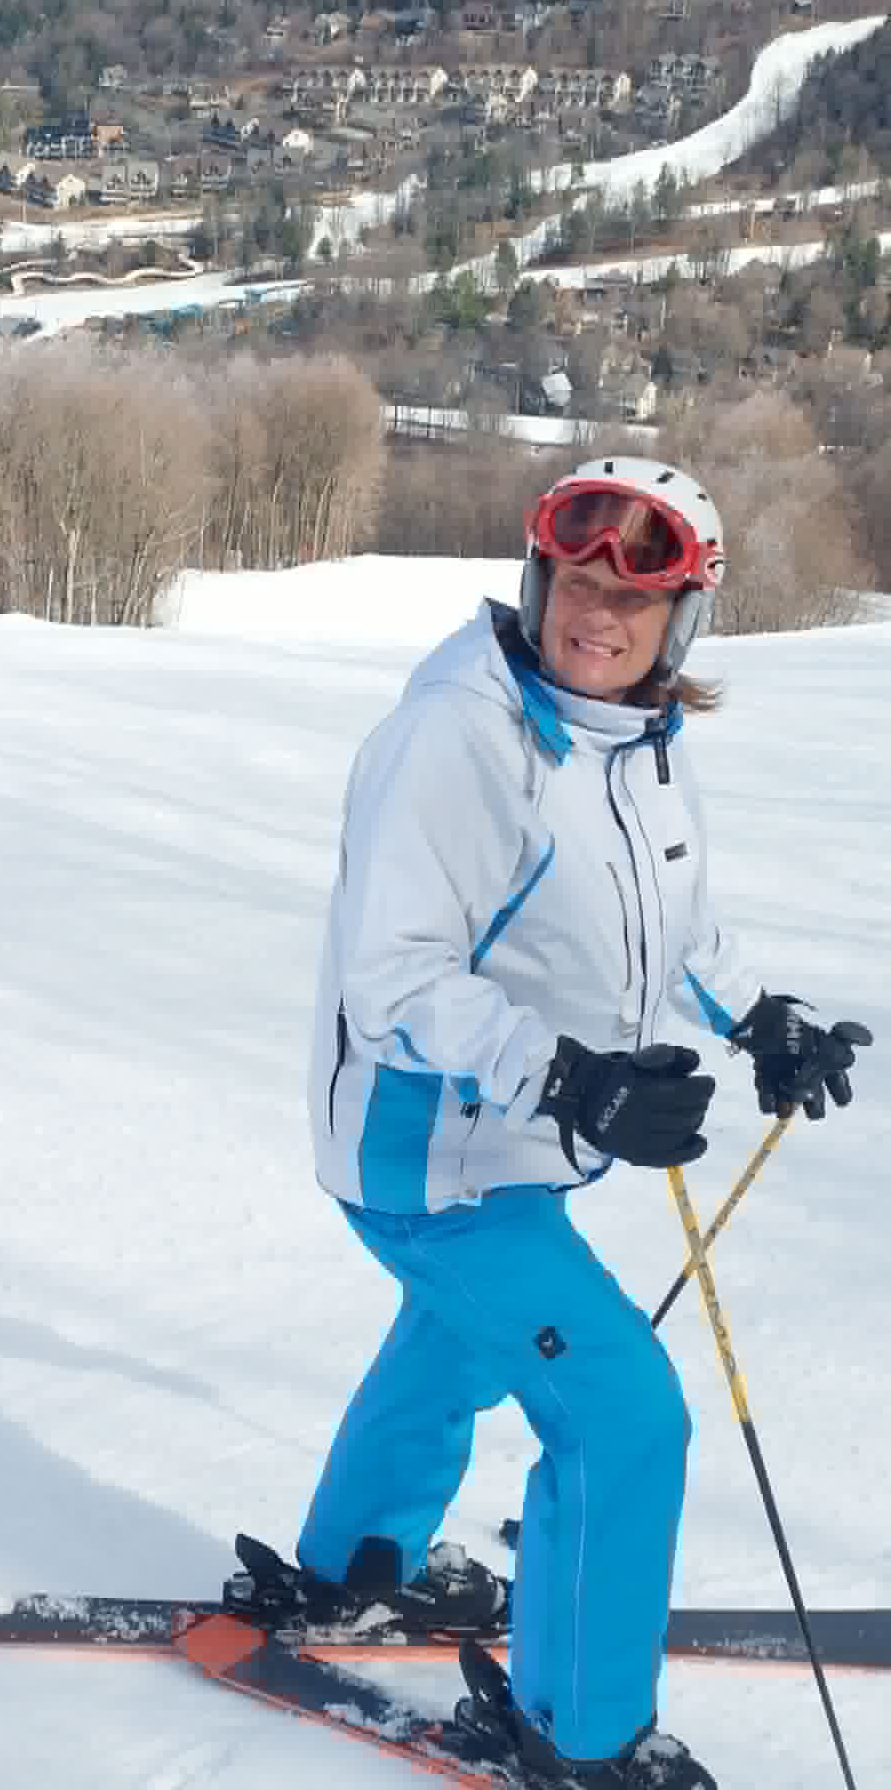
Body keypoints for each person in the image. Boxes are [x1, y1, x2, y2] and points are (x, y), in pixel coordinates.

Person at [285, 455, 870, 1788]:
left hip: (517, 1141)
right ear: (538, 576)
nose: (594, 613)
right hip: (423, 1149)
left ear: (685, 623)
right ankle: (577, 1733)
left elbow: (666, 918)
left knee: (455, 1344)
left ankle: (355, 1563)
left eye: (634, 594)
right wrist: (576, 1079)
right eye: (577, 580)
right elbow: (394, 981)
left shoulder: (634, 741)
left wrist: (753, 1013)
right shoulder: (462, 733)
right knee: (619, 1413)